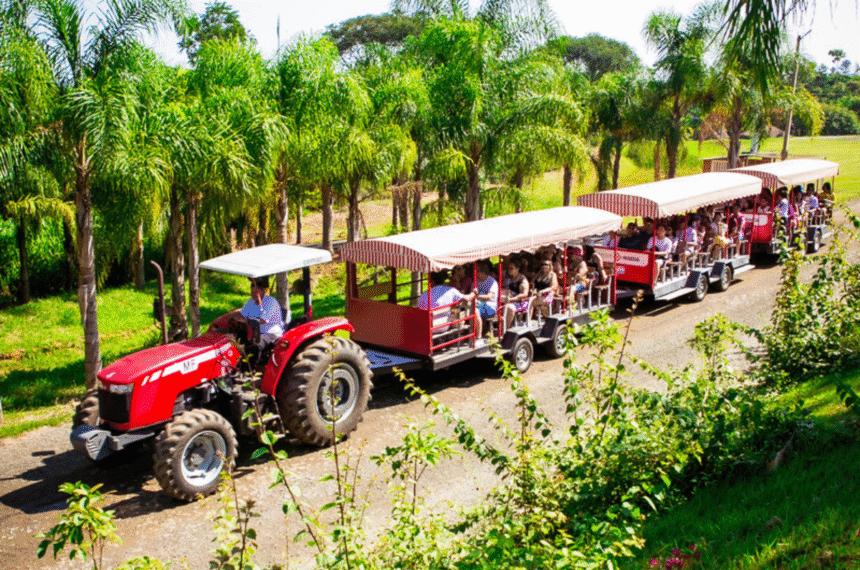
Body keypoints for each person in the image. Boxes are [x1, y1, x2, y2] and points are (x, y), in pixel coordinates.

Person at [238, 276, 285, 349]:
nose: (253, 294)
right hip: (255, 332)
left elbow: (262, 320)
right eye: (252, 292)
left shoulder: (270, 302)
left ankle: (253, 360)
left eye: (256, 292)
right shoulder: (251, 301)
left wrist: (248, 321)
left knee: (257, 344)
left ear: (263, 291)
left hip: (270, 333)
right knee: (235, 339)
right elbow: (241, 315)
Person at [502, 259, 530, 331]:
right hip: (508, 299)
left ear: (517, 269)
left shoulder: (522, 280)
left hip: (520, 302)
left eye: (511, 268)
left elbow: (524, 294)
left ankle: (505, 329)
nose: (509, 270)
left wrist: (511, 299)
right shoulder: (509, 278)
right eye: (508, 268)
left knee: (509, 308)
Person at [474, 261, 499, 337]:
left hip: (490, 307)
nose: (475, 273)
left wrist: (477, 296)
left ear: (482, 272)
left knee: (475, 311)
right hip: (478, 304)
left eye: (477, 271)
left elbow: (489, 297)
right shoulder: (476, 281)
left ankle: (478, 337)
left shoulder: (492, 282)